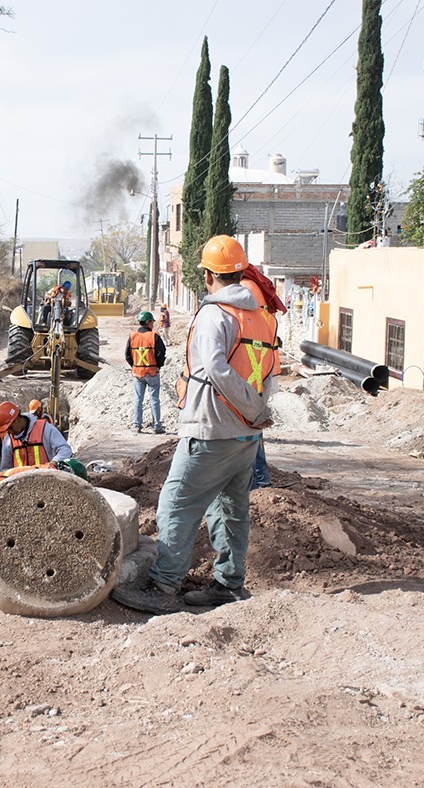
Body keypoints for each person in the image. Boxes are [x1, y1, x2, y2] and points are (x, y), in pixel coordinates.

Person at [111, 235, 273, 615]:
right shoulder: (259, 316)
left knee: (177, 502)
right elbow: (270, 370)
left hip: (212, 427)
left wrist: (249, 407)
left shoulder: (214, 315)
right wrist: (258, 410)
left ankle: (164, 584)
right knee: (230, 507)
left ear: (208, 275)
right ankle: (229, 585)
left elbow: (216, 369)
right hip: (247, 434)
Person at [240, 264, 285, 490]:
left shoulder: (245, 289)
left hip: (252, 367)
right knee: (252, 423)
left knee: (248, 424)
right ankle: (259, 474)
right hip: (259, 365)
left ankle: (257, 476)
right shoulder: (254, 288)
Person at [0, 400, 72, 472]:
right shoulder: (8, 439)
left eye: (10, 428)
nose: (10, 432)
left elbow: (65, 449)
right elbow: (5, 470)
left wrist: (54, 463)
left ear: (17, 419)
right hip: (20, 484)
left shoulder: (45, 429)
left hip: (46, 479)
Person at [124, 310, 166, 434]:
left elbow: (127, 355)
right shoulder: (154, 336)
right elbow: (161, 353)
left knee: (138, 399)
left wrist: (135, 365)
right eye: (152, 322)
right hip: (152, 371)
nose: (153, 324)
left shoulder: (132, 336)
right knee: (154, 399)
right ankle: (157, 426)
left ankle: (137, 425)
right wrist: (158, 365)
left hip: (137, 373)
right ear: (148, 323)